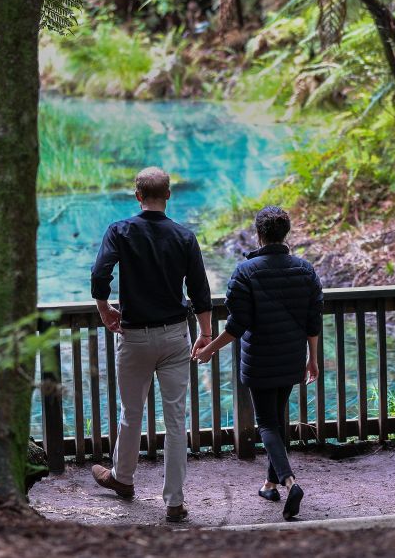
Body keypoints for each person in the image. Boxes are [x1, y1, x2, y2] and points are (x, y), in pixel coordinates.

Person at [89, 167, 213, 522]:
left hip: (134, 335)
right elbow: (200, 292)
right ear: (169, 195)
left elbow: (101, 274)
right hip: (176, 335)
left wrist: (103, 307)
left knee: (131, 413)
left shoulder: (120, 231)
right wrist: (205, 334)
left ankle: (123, 479)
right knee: (176, 420)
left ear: (138, 196)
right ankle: (174, 502)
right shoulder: (184, 236)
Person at [194, 206, 322, 521]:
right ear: (285, 233)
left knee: (266, 423)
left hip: (260, 358)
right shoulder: (305, 270)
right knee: (277, 420)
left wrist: (209, 349)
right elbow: (313, 320)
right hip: (292, 356)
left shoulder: (245, 272)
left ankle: (290, 481)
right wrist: (313, 359)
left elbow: (237, 326)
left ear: (259, 234)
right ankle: (270, 484)